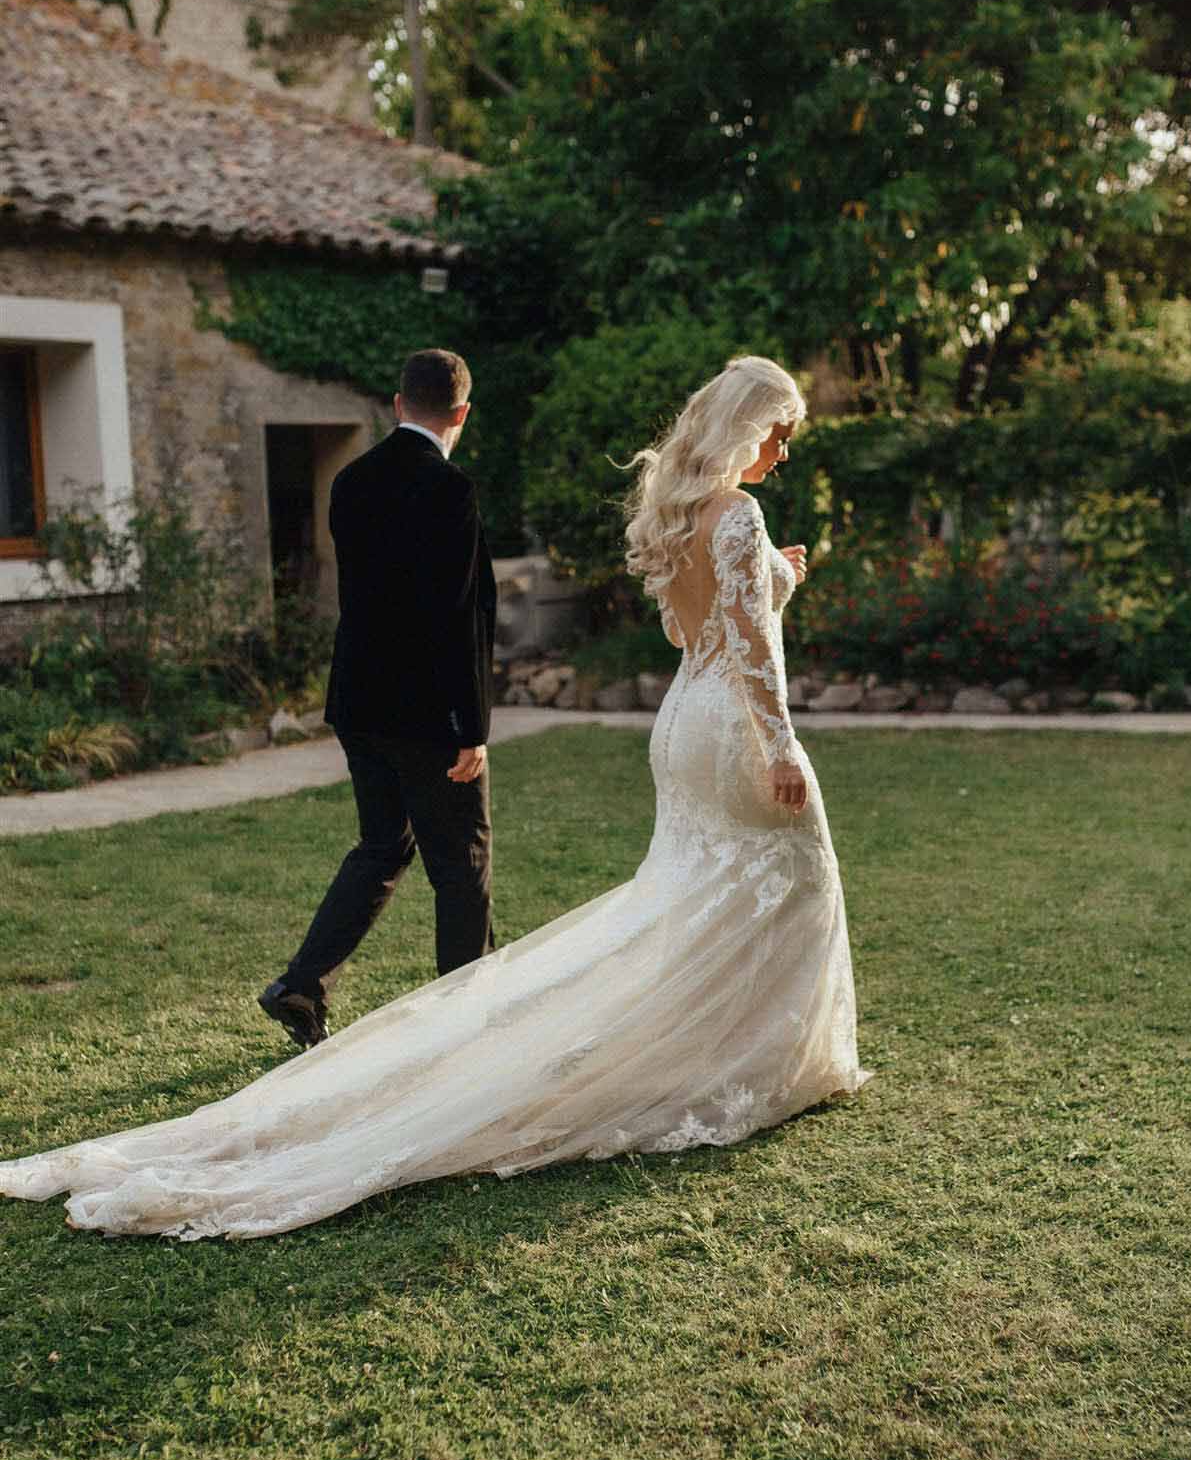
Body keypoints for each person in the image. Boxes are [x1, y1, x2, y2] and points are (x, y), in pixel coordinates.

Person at [0, 356, 868, 1239]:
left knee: (485, 865)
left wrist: (769, 578)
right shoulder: (714, 512)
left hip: (561, 717)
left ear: (396, 403)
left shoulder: (656, 509)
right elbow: (731, 644)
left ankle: (330, 986)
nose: (781, 449)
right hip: (670, 723)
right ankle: (650, 1043)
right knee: (545, 870)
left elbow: (693, 628)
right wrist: (780, 736)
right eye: (777, 431)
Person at [258, 346, 497, 1051]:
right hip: (427, 713)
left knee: (382, 844)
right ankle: (467, 1025)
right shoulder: (450, 489)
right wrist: (470, 724)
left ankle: (301, 983)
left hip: (358, 702)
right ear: (461, 413)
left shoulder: (352, 479)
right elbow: (459, 614)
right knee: (461, 861)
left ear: (398, 405)